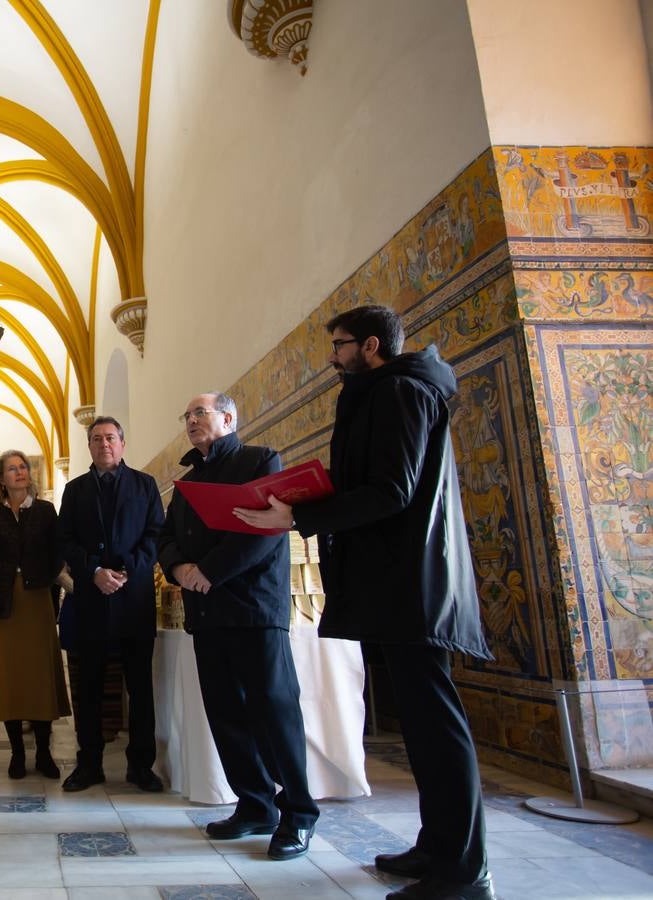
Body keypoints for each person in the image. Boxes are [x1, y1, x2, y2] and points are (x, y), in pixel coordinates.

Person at [235, 305, 494, 900]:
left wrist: (299, 514)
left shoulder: (401, 391)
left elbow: (392, 490)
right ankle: (438, 845)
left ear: (371, 345)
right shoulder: (387, 390)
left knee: (439, 726)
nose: (333, 357)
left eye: (340, 345)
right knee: (422, 729)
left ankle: (464, 871)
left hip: (416, 587)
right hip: (398, 585)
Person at [157, 393, 319, 861]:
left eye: (199, 413)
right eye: (186, 414)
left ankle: (298, 815)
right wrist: (179, 570)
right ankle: (255, 804)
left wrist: (208, 571)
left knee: (274, 712)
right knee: (226, 714)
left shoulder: (260, 460)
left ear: (228, 417)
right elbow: (166, 538)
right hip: (206, 615)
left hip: (253, 610)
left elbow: (263, 530)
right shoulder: (188, 482)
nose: (191, 420)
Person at [56, 416, 165, 793]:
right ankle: (89, 765)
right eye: (97, 438)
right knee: (90, 687)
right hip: (91, 601)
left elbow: (155, 537)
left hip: (133, 601)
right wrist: (95, 572)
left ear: (122, 443)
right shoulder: (74, 490)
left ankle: (141, 766)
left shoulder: (145, 485)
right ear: (89, 446)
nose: (104, 444)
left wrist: (124, 572)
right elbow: (65, 541)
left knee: (139, 687)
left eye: (111, 438)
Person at [0, 450, 70, 780]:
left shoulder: (45, 510)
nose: (20, 472)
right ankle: (16, 753)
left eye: (23, 466)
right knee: (8, 677)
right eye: (12, 468)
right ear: (1, 477)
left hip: (37, 598)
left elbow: (57, 555)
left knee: (38, 676)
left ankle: (43, 753)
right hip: (0, 601)